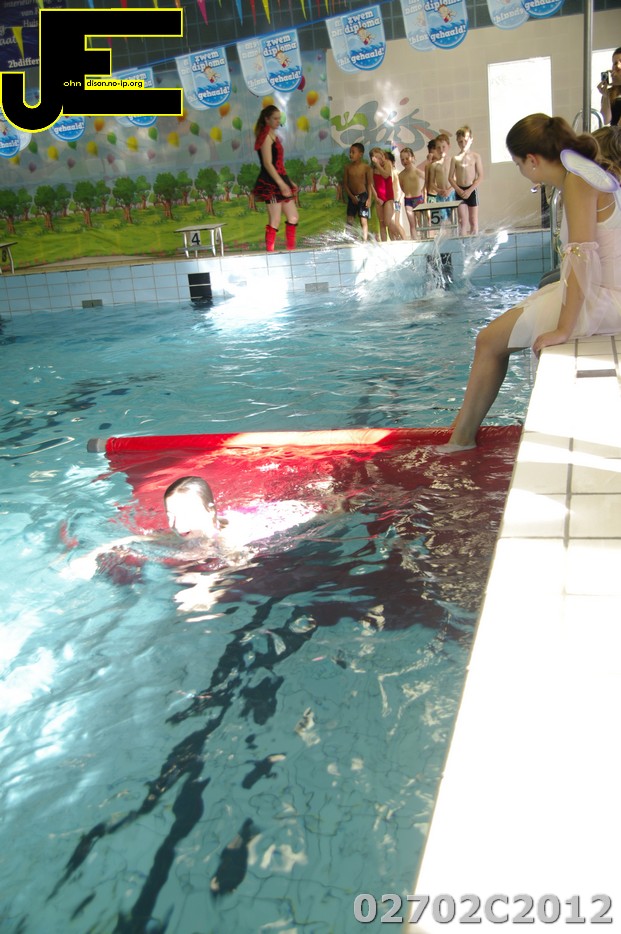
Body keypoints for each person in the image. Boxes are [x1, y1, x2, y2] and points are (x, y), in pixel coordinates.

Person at [442, 113, 621, 453]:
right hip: (605, 291)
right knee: (493, 335)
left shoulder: (578, 180)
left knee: (488, 341)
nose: (521, 171)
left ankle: (461, 439)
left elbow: (582, 259)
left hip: (605, 299)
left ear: (533, 160)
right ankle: (461, 433)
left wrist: (564, 329)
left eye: (518, 164)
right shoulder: (586, 173)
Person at [252, 105, 299, 252]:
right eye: (275, 118)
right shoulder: (265, 136)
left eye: (279, 118)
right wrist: (281, 183)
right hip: (270, 183)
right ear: (267, 119)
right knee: (275, 220)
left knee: (293, 217)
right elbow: (267, 163)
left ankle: (291, 250)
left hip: (280, 179)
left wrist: (288, 181)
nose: (278, 121)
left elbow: (278, 163)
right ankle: (270, 252)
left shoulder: (273, 135)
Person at [448, 125, 484, 236]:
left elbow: (480, 176)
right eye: (460, 142)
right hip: (459, 191)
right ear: (457, 142)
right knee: (461, 221)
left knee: (473, 220)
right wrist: (458, 190)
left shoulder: (476, 156)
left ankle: (474, 242)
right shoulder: (455, 158)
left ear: (471, 140)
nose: (463, 144)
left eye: (465, 141)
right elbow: (450, 177)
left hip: (471, 190)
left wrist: (470, 190)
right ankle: (462, 242)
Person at [370, 147, 405, 241]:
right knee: (381, 223)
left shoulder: (387, 163)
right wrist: (376, 198)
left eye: (380, 157)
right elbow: (371, 185)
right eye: (376, 158)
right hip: (379, 198)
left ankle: (400, 238)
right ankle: (384, 243)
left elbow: (386, 175)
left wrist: (378, 165)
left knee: (387, 221)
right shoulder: (372, 169)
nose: (380, 160)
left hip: (388, 197)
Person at [343, 143, 373, 241]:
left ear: (360, 154)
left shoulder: (366, 168)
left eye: (353, 152)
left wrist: (369, 198)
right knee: (349, 220)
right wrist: (351, 197)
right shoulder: (347, 167)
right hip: (352, 197)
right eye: (350, 152)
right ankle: (348, 241)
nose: (350, 154)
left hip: (363, 196)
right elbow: (345, 184)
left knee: (363, 220)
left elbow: (369, 184)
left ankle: (364, 241)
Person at [425, 133, 453, 222]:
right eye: (438, 148)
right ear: (436, 149)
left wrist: (449, 190)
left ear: (448, 146)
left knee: (454, 218)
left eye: (443, 147)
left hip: (452, 193)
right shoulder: (434, 165)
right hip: (440, 195)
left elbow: (456, 180)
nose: (441, 150)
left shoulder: (453, 161)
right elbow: (431, 183)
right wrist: (438, 190)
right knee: (443, 221)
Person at [399, 147, 426, 238]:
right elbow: (402, 187)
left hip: (418, 199)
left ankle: (423, 238)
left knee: (421, 222)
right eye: (402, 159)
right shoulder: (401, 175)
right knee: (412, 224)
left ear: (413, 158)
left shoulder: (417, 171)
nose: (405, 161)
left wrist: (423, 190)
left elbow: (428, 180)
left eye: (407, 158)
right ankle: (414, 240)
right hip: (408, 201)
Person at [597, 48, 621, 126]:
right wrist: (605, 96)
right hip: (615, 133)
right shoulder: (610, 92)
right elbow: (605, 120)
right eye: (615, 63)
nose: (618, 66)